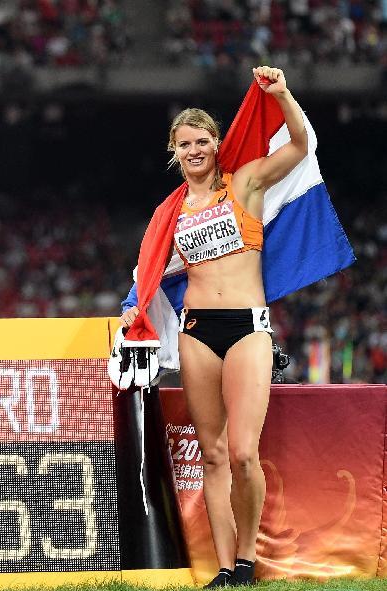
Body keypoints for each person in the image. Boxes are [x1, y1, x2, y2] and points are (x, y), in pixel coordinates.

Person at [120, 66, 308, 588]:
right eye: (185, 144)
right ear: (173, 151)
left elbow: (300, 144)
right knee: (214, 453)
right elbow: (152, 271)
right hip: (196, 330)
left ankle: (248, 557)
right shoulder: (170, 213)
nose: (195, 150)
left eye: (203, 141)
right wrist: (132, 310)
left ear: (217, 143)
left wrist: (283, 93)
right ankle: (227, 570)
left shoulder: (245, 182)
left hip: (247, 327)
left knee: (245, 452)